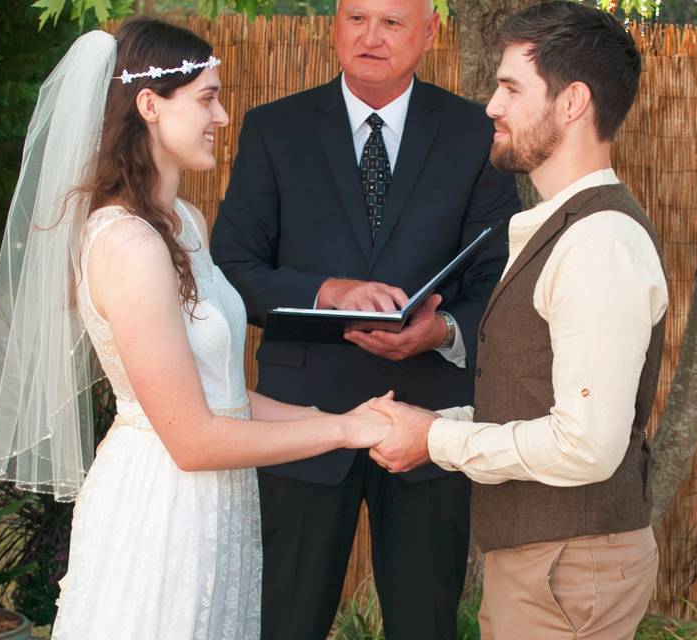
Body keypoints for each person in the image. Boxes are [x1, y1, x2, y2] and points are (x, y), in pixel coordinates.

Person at [0, 18, 390, 639]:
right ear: (150, 105)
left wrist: (333, 416)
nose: (222, 116)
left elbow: (224, 398)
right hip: (160, 504)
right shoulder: (126, 243)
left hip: (218, 502)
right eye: (207, 98)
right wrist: (344, 430)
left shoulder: (184, 222)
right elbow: (193, 439)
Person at [210, 0, 521, 636]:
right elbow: (231, 268)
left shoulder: (473, 133)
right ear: (334, 26)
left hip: (431, 419)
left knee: (424, 622)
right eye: (356, 19)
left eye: (391, 22)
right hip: (300, 417)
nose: (370, 37)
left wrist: (442, 331)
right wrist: (327, 289)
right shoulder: (276, 128)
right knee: (285, 620)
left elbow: (499, 274)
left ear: (429, 33)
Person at [368, 3, 669, 639]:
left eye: (511, 87)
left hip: (567, 569)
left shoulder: (598, 243)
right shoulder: (565, 230)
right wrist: (430, 425)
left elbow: (585, 445)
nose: (491, 107)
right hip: (554, 564)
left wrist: (436, 441)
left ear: (572, 102)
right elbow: (535, 405)